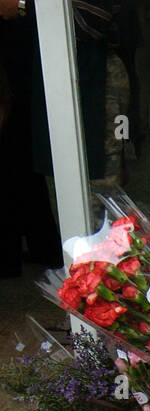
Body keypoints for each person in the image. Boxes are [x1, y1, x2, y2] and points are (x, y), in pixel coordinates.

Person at [0, 0, 62, 275]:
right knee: (18, 157)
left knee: (16, 151)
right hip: (17, 57)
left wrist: (22, 6)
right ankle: (41, 246)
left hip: (21, 58)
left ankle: (26, 250)